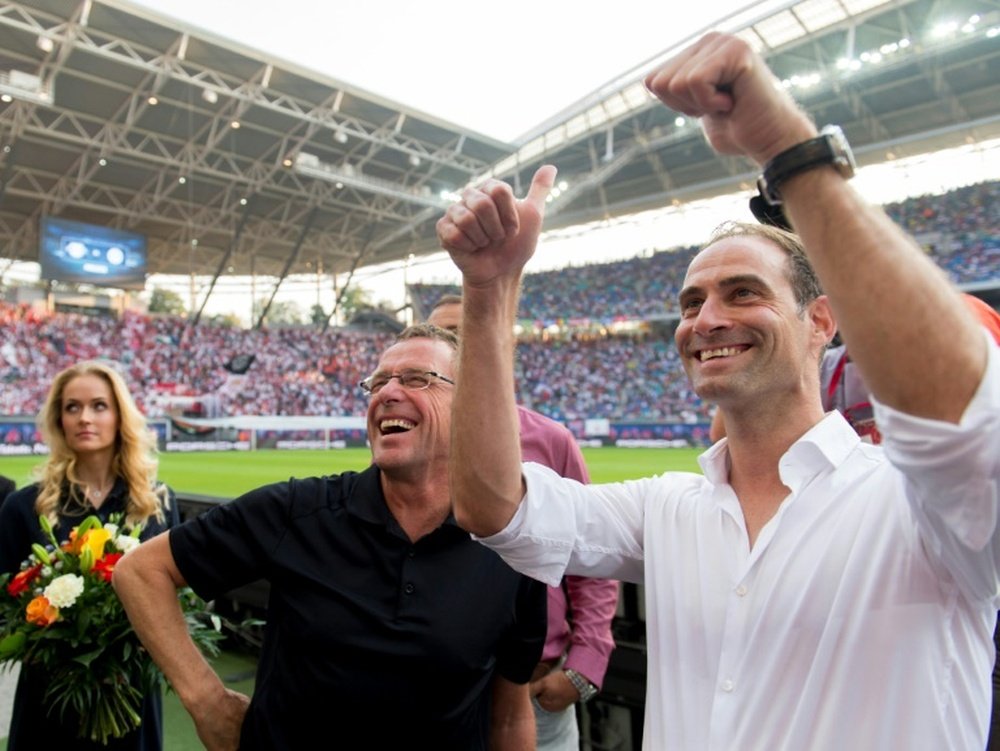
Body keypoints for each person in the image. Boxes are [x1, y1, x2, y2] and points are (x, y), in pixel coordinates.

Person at [435, 31, 1000, 750]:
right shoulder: (669, 508)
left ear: (821, 319)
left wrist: (786, 150)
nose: (707, 319)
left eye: (743, 292)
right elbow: (494, 508)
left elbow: (962, 418)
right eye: (690, 301)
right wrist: (486, 289)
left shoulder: (921, 506)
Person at [113, 324, 546, 751]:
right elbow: (140, 571)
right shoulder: (297, 511)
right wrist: (207, 701)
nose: (387, 393)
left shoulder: (510, 545)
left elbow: (509, 715)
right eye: (377, 382)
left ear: (471, 404)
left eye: (417, 379)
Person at [427, 294, 619, 750]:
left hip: (537, 689)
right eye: (441, 337)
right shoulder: (408, 443)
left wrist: (585, 665)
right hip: (436, 693)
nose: (455, 348)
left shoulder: (551, 441)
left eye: (466, 334)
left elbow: (591, 556)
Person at [0, 360, 178, 751]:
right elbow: (6, 610)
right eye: (72, 407)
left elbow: (173, 601)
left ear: (119, 415)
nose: (85, 417)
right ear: (58, 419)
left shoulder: (156, 504)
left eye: (99, 405)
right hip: (51, 697)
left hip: (129, 693)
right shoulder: (22, 507)